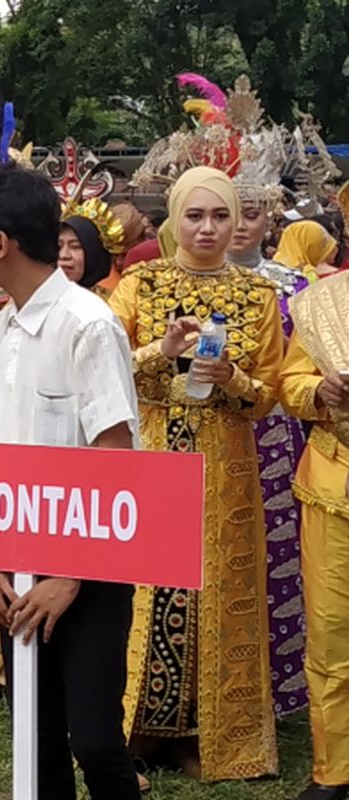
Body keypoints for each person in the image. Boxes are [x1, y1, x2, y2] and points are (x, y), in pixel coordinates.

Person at [0, 164, 142, 800]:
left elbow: (116, 456)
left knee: (93, 737)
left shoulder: (87, 324)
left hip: (88, 567)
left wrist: (71, 573)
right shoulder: (1, 325)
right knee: (34, 737)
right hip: (17, 562)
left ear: (1, 242)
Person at [109, 166, 282, 781]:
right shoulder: (139, 284)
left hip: (226, 467)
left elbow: (269, 395)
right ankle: (134, 731)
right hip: (153, 455)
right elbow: (104, 368)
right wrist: (163, 351)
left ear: (236, 222)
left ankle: (208, 736)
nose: (207, 228)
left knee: (215, 592)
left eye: (220, 216)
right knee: (150, 593)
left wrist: (230, 377)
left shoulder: (259, 297)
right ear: (173, 219)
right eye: (194, 215)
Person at [228, 164, 311, 719]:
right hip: (208, 429)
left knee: (278, 556)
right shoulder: (172, 280)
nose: (236, 226)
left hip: (275, 434)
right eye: (224, 213)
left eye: (249, 214)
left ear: (270, 219)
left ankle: (280, 692)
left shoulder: (297, 288)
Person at [280, 271, 349, 800]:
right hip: (334, 480)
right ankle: (335, 769)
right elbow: (290, 382)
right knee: (330, 630)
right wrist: (320, 389)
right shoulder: (323, 303)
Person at [57, 198, 126, 298]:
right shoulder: (37, 298)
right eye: (59, 246)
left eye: (75, 246)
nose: (64, 255)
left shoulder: (112, 303)